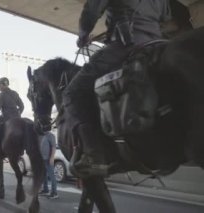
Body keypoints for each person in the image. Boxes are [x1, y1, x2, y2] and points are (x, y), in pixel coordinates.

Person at [62, 0, 171, 176]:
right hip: (158, 45)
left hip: (125, 45)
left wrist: (83, 36)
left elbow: (90, 12)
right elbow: (166, 17)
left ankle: (93, 154)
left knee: (72, 93)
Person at [38, 126, 59, 199]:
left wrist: (52, 158)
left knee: (52, 176)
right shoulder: (44, 136)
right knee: (44, 175)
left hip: (48, 159)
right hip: (43, 159)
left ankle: (54, 193)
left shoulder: (51, 135)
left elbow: (53, 147)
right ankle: (45, 190)